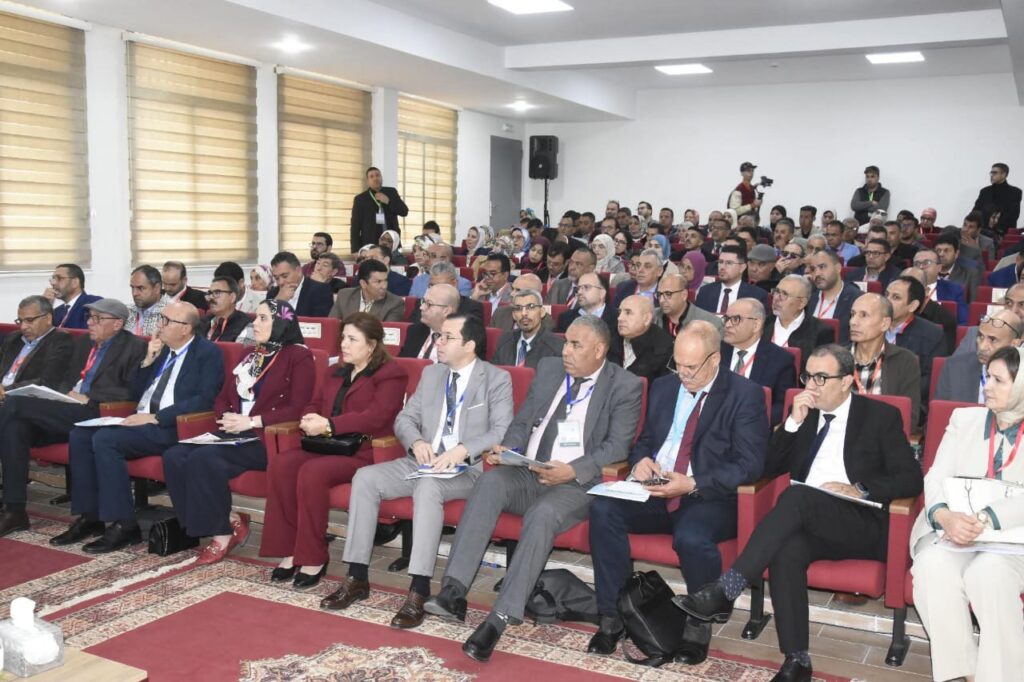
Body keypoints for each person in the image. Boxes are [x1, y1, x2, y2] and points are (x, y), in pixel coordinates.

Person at [422, 316, 644, 663]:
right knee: (490, 482)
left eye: (576, 345)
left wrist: (573, 470)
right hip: (529, 470)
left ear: (600, 350)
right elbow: (523, 421)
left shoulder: (624, 385)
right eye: (566, 342)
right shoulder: (551, 369)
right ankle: (454, 590)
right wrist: (508, 449)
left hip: (577, 483)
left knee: (543, 513)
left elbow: (617, 446)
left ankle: (499, 618)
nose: (566, 351)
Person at [586, 321, 768, 660]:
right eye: (678, 364)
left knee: (691, 536)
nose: (682, 374)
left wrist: (693, 483)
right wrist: (640, 462)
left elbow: (749, 465)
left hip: (708, 495)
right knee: (604, 510)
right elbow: (645, 441)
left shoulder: (745, 394)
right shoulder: (665, 386)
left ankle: (698, 623)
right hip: (657, 488)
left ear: (715, 359)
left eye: (691, 367)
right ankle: (613, 616)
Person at [321, 314, 513, 624]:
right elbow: (404, 419)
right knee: (365, 478)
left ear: (469, 345)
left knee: (428, 487)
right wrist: (417, 441)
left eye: (447, 337)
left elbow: (501, 430)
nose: (439, 342)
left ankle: (419, 589)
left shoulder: (496, 378)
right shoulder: (432, 374)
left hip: (466, 469)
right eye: (439, 336)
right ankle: (356, 577)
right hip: (422, 461)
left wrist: (463, 449)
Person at [54, 302, 224, 553]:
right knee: (80, 434)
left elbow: (204, 399)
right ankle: (91, 516)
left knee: (106, 440)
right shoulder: (161, 350)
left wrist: (157, 417)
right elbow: (134, 393)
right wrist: (147, 361)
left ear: (186, 328)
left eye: (166, 321)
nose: (159, 326)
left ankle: (125, 525)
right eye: (160, 319)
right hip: (140, 419)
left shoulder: (207, 353)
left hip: (173, 425)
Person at [260, 313, 408, 587]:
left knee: (312, 471)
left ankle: (313, 556)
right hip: (326, 444)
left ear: (372, 344)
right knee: (281, 464)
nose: (344, 344)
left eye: (352, 339)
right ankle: (290, 550)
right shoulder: (334, 371)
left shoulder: (391, 374)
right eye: (343, 338)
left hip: (364, 451)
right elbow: (313, 402)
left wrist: (329, 425)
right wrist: (309, 418)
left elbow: (376, 418)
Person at [162, 301, 315, 565]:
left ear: (282, 322)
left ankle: (222, 533)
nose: (255, 323)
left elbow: (297, 408)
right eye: (256, 317)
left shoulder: (298, 356)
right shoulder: (250, 354)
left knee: (204, 458)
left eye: (263, 318)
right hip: (235, 432)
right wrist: (225, 416)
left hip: (267, 438)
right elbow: (222, 396)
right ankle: (224, 520)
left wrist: (252, 421)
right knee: (174, 455)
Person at [910, 345, 1024, 682]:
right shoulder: (965, 419)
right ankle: (966, 671)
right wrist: (945, 517)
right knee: (931, 565)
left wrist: (986, 518)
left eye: (999, 381)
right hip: (956, 528)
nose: (987, 387)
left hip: (1014, 538)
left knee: (988, 574)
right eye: (988, 378)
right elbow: (935, 477)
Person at [1, 300, 146, 538]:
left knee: (13, 404)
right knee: (16, 427)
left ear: (118, 323)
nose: (89, 323)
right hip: (68, 408)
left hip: (97, 410)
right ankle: (14, 510)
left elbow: (130, 391)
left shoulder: (134, 347)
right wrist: (59, 394)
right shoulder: (84, 343)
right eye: (89, 317)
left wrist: (89, 397)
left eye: (97, 319)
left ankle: (88, 518)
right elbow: (64, 380)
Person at [848, 294, 922, 427]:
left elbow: (909, 416)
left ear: (885, 324)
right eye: (853, 314)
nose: (853, 322)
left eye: (863, 315)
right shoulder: (835, 357)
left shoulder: (905, 361)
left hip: (882, 434)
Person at [721, 298, 796, 426]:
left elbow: (783, 405)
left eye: (735, 319)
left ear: (756, 325)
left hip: (752, 429)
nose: (727, 325)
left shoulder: (781, 360)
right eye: (726, 319)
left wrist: (751, 422)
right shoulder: (714, 351)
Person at [885, 276, 947, 421]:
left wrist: (891, 393)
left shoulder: (932, 334)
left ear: (912, 306)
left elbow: (929, 379)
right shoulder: (872, 325)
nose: (887, 301)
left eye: (896, 297)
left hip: (908, 401)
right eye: (886, 295)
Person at [936, 310, 1022, 403]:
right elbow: (941, 410)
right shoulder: (954, 367)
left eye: (993, 340)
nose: (982, 347)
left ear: (1014, 344)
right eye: (981, 337)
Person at [0, 296, 72, 396]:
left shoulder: (61, 341)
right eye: (20, 321)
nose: (23, 327)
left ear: (48, 318)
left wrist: (5, 390)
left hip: (21, 397)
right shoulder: (13, 338)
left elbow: (47, 381)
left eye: (29, 320)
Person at [763, 275, 833, 374]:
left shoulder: (821, 332)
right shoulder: (761, 324)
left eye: (785, 294)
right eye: (776, 291)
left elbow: (819, 371)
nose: (777, 298)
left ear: (802, 303)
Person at [491, 289, 564, 368]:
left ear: (542, 312)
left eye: (530, 307)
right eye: (518, 308)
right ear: (514, 315)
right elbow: (494, 372)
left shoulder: (557, 346)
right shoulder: (504, 340)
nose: (524, 313)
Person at [609, 295, 673, 383]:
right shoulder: (609, 338)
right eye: (620, 312)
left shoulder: (664, 348)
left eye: (628, 312)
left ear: (646, 319)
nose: (619, 318)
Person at [806, 251, 864, 344]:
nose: (817, 274)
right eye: (813, 269)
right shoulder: (808, 298)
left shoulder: (857, 299)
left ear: (838, 268)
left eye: (822, 267)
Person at [696, 245, 769, 314]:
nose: (722, 267)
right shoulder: (705, 291)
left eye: (729, 263)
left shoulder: (757, 295)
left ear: (742, 268)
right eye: (720, 262)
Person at [351, 166, 408, 253]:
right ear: (368, 181)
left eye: (377, 175)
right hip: (370, 244)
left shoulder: (391, 192)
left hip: (391, 243)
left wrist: (388, 201)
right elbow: (355, 226)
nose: (375, 178)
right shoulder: (360, 199)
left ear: (381, 177)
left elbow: (404, 211)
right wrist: (355, 249)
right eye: (371, 176)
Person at [330, 259, 405, 322]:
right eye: (378, 282)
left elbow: (386, 333)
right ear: (363, 283)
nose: (384, 286)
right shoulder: (344, 295)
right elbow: (332, 325)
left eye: (385, 280)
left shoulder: (395, 303)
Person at [408, 263, 484, 325]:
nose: (435, 290)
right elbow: (415, 332)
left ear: (454, 283)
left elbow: (469, 335)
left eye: (441, 286)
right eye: (431, 285)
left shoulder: (471, 308)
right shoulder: (421, 304)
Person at [400, 283, 460, 361]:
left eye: (429, 304)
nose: (421, 307)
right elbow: (402, 363)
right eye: (423, 301)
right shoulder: (415, 331)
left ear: (446, 311)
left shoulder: (459, 341)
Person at [267, 251, 335, 318]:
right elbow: (264, 319)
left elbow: (320, 323)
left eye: (285, 276)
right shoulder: (273, 293)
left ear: (298, 270)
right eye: (277, 278)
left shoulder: (320, 291)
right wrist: (278, 301)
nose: (280, 282)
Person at [654, 272, 722, 338]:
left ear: (684, 295)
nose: (661, 300)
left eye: (668, 294)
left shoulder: (711, 324)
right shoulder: (651, 317)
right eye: (659, 294)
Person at [913, 248, 968, 325]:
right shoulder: (903, 288)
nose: (921, 267)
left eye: (927, 262)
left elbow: (962, 322)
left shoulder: (954, 290)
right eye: (917, 264)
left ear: (939, 267)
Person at [45, 264, 101, 330]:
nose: (53, 283)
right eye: (53, 279)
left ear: (75, 282)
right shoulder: (57, 311)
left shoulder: (93, 303)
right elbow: (44, 333)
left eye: (59, 278)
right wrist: (45, 306)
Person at [973, 162, 1022, 237]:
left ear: (1004, 174)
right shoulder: (985, 191)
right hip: (983, 231)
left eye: (995, 173)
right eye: (991, 173)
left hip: (1003, 233)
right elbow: (976, 210)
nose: (992, 175)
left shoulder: (1015, 192)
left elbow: (1013, 214)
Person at [196, 276, 251, 342]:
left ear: (232, 297)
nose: (211, 297)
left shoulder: (246, 324)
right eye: (209, 293)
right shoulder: (203, 322)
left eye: (217, 293)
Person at [935, 233, 980, 303]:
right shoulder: (926, 273)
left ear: (956, 254)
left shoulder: (969, 274)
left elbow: (972, 304)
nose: (941, 254)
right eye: (938, 250)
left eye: (946, 251)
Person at [126, 265, 167, 336]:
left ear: (157, 288)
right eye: (132, 287)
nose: (134, 293)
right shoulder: (126, 311)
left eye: (141, 288)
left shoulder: (170, 314)